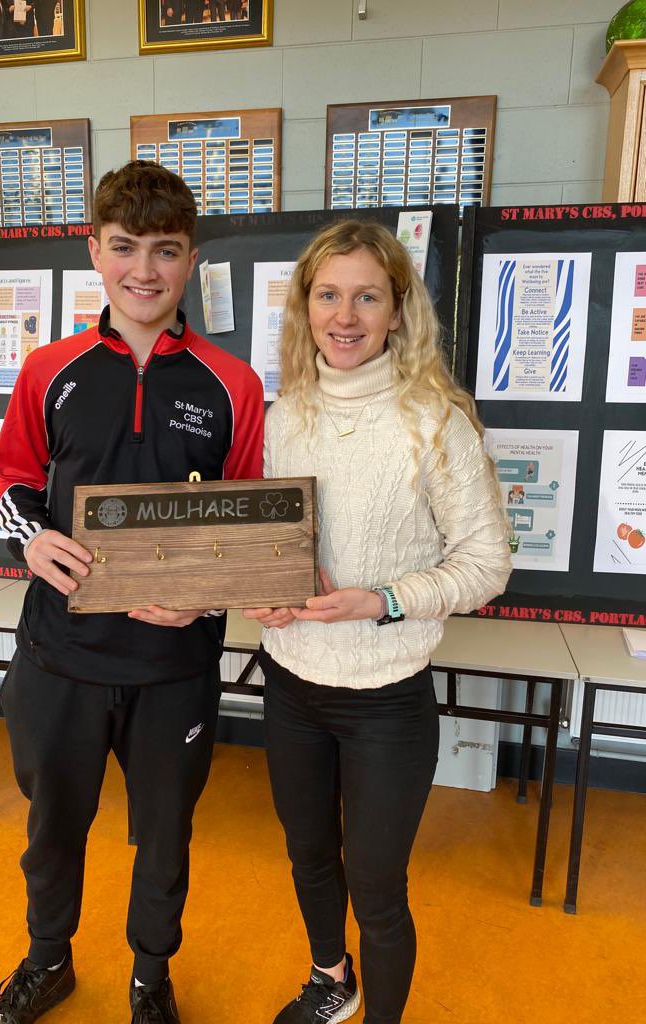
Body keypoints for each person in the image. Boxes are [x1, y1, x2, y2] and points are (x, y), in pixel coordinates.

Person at [0, 160, 263, 1024]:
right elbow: (12, 483)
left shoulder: (231, 384)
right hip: (59, 652)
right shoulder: (50, 369)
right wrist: (34, 544)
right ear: (94, 250)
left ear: (191, 260)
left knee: (165, 837)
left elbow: (248, 529)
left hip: (173, 662)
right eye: (126, 247)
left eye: (166, 250)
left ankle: (150, 975)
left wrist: (205, 598)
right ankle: (47, 961)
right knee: (52, 826)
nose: (144, 270)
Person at [244, 220, 511, 1024]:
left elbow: (486, 564)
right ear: (305, 306)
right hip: (292, 682)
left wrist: (383, 599)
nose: (346, 315)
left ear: (398, 309)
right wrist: (266, 590)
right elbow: (270, 540)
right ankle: (334, 981)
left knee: (377, 885)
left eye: (367, 295)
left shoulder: (435, 420)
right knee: (307, 854)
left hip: (385, 698)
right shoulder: (282, 413)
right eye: (328, 295)